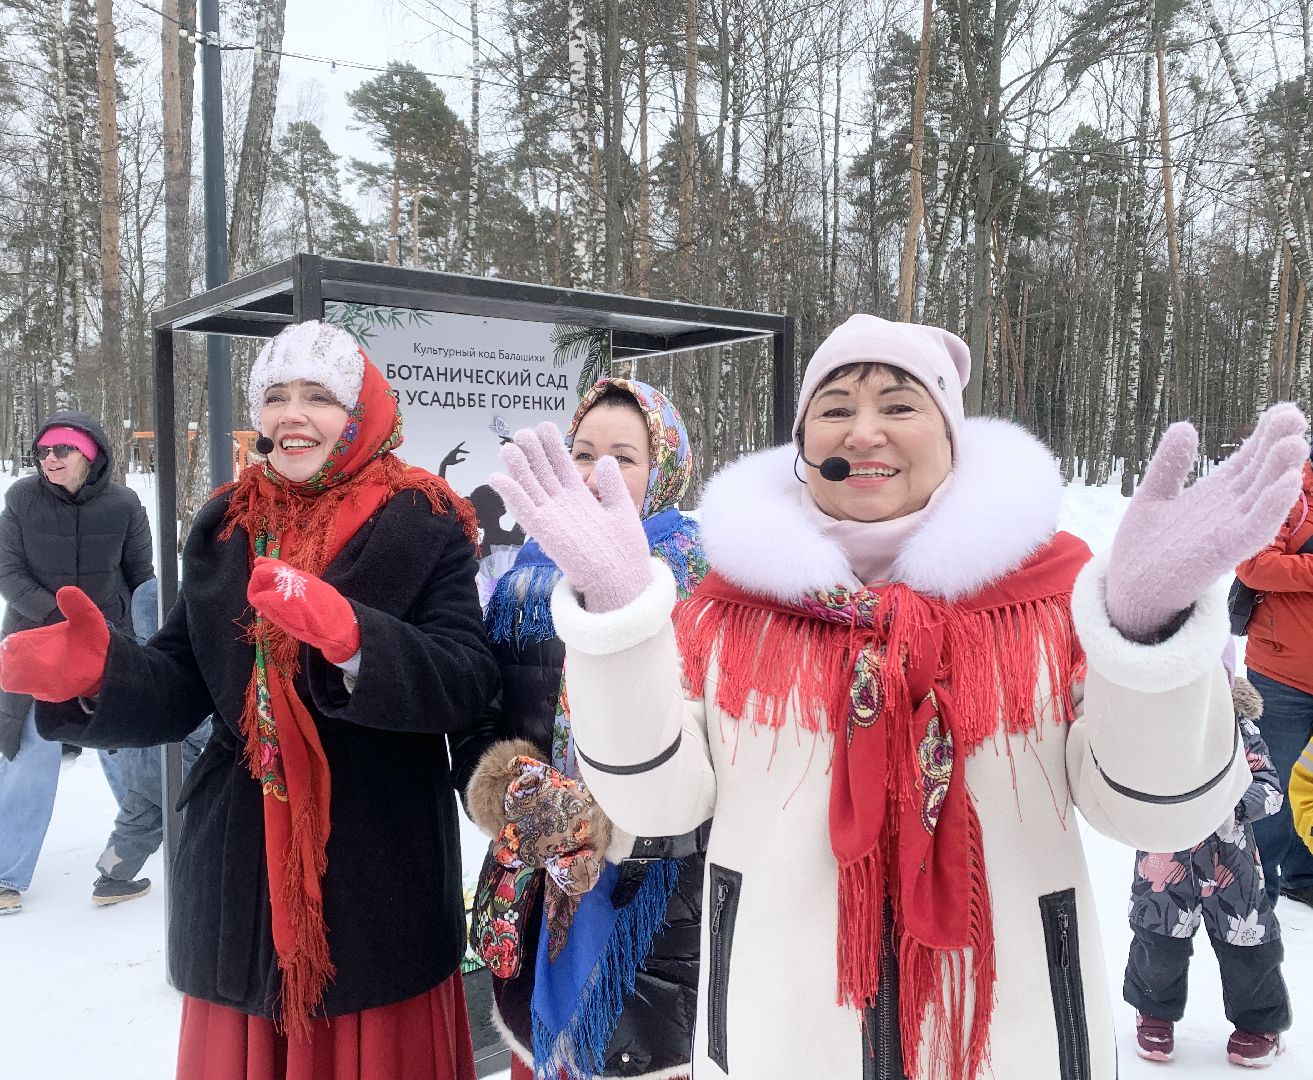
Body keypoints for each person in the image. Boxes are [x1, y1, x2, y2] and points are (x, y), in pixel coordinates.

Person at [488, 313, 1308, 1080]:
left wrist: (1146, 631)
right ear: (804, 443)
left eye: (897, 403)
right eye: (834, 406)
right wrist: (619, 619)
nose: (863, 429)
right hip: (781, 1041)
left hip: (1012, 1039)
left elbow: (1156, 812)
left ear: (951, 436)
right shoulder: (730, 610)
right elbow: (657, 801)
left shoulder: (1045, 601)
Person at [0, 320, 500, 1080]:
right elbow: (183, 680)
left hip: (372, 866)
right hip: (240, 864)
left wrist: (355, 640)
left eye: (318, 396)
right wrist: (102, 674)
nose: (291, 414)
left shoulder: (424, 517)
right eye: (275, 395)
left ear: (361, 413)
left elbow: (467, 680)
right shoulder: (226, 520)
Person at [465, 378, 708, 1080]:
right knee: (551, 1049)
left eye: (623, 457)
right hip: (543, 869)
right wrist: (511, 790)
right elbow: (489, 714)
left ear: (664, 470)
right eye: (582, 452)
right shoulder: (518, 587)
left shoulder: (702, 579)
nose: (595, 473)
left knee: (646, 1049)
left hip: (661, 882)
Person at [0, 410, 152, 915]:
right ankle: (6, 876)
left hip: (108, 647)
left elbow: (141, 577)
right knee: (29, 752)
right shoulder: (21, 500)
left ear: (89, 455)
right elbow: (8, 571)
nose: (49, 459)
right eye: (43, 452)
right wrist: (59, 615)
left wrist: (133, 635)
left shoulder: (125, 504)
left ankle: (135, 852)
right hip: (36, 642)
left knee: (125, 749)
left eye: (61, 450)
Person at [1123, 641, 1292, 1068]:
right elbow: (1128, 776)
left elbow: (1270, 788)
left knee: (1247, 945)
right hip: (1165, 860)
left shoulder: (1240, 728)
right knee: (1157, 941)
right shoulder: (1151, 727)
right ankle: (1153, 1013)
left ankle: (1260, 1023)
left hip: (1231, 861)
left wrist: (1234, 806)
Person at [91, 577, 212, 905]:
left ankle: (111, 877)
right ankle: (202, 881)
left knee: (134, 824)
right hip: (175, 771)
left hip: (136, 767)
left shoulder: (136, 663)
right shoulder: (180, 671)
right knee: (200, 823)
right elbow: (197, 725)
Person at [1234, 451, 1313, 909]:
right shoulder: (1285, 494)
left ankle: (1305, 875)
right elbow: (1252, 564)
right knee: (1272, 782)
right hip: (1281, 673)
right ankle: (1256, 879)